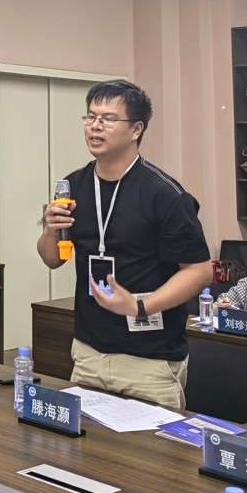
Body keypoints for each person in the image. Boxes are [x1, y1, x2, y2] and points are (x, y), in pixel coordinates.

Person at [36, 80, 210, 409]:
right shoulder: (73, 185)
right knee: (83, 442)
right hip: (89, 351)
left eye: (108, 118)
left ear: (136, 129)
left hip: (149, 359)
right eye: (90, 117)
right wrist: (49, 230)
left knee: (149, 446)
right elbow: (52, 259)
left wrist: (141, 305)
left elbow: (200, 271)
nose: (95, 126)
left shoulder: (165, 194)